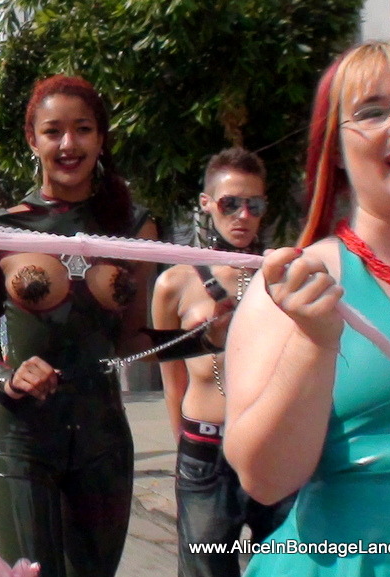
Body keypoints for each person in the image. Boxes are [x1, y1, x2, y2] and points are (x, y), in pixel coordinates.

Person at [224, 40, 390, 575]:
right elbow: (264, 479)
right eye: (372, 112)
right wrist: (313, 343)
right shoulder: (299, 283)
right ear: (335, 149)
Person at [0, 74, 157, 577]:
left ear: (101, 138)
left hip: (103, 439)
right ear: (33, 140)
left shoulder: (135, 228)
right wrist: (6, 375)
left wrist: (209, 335)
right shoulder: (0, 229)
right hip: (22, 440)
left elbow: (135, 340)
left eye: (83, 129)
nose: (69, 144)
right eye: (53, 131)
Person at [152, 147, 292, 576]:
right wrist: (185, 449)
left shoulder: (283, 273)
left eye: (255, 205)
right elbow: (171, 379)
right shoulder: (175, 283)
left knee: (289, 565)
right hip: (205, 451)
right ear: (206, 203)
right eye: (232, 203)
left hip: (273, 445)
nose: (244, 215)